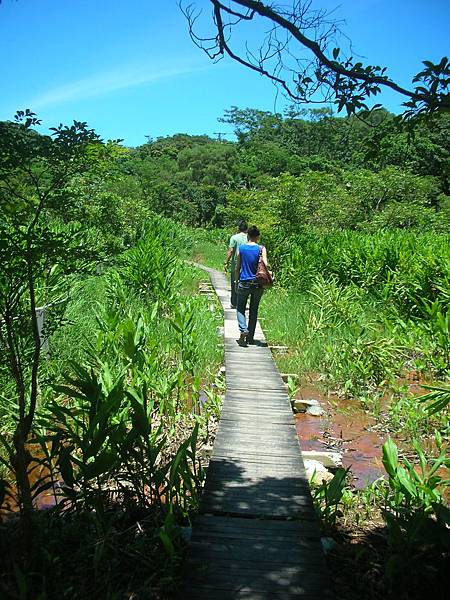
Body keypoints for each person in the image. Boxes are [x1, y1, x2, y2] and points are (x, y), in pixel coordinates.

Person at [234, 225, 268, 346]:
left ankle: (243, 330)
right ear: (258, 237)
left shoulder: (241, 248)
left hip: (244, 282)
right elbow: (266, 265)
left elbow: (238, 267)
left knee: (240, 308)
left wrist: (236, 281)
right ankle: (251, 338)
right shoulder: (261, 248)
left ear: (247, 235)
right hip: (258, 284)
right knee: (254, 310)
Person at [224, 220, 248, 308]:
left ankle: (234, 303)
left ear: (238, 228)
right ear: (246, 228)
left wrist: (226, 262)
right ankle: (243, 303)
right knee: (245, 284)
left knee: (235, 283)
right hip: (246, 266)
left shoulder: (234, 238)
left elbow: (230, 251)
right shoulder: (249, 238)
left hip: (235, 265)